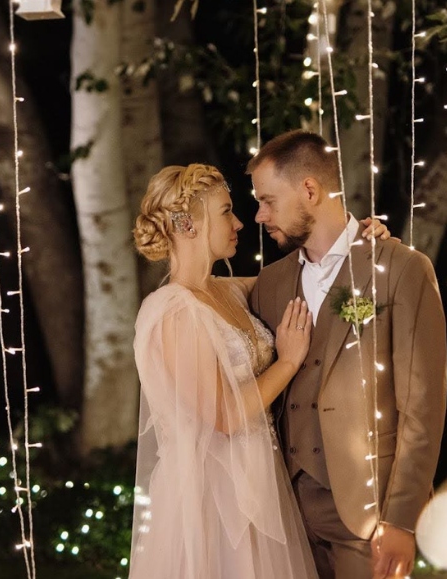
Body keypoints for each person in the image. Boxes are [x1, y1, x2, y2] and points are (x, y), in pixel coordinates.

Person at [128, 163, 391, 578]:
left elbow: (306, 278)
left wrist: (357, 244)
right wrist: (288, 360)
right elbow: (225, 416)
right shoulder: (172, 313)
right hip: (211, 498)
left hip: (261, 481)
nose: (239, 222)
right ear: (187, 223)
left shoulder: (228, 290)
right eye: (225, 211)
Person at [246, 129, 447, 579]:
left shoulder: (400, 270)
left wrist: (400, 518)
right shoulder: (270, 284)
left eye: (268, 200)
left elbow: (423, 407)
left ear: (310, 190)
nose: (259, 215)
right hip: (286, 515)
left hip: (369, 514)